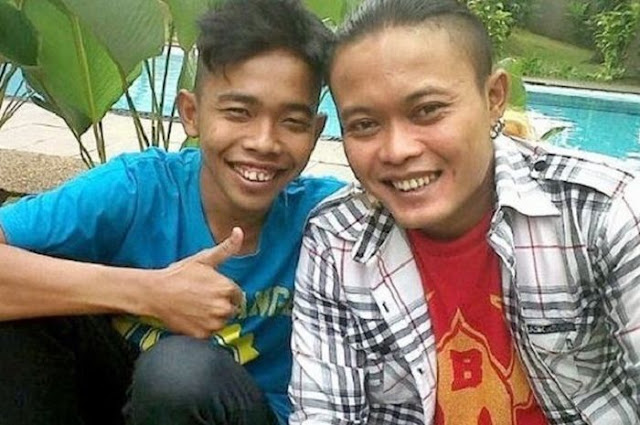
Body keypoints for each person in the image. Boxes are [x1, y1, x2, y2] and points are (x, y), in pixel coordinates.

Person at [289, 0, 640, 423]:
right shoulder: (336, 243)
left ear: (493, 99)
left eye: (427, 111)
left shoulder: (603, 212)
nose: (397, 150)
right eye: (364, 125)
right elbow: (325, 414)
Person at [0, 0, 342, 424]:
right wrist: (148, 292)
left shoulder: (330, 221)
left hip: (243, 411)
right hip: (120, 396)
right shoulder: (138, 188)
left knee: (180, 374)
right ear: (191, 114)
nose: (263, 142)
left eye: (292, 122)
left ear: (316, 131)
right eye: (239, 113)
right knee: (18, 313)